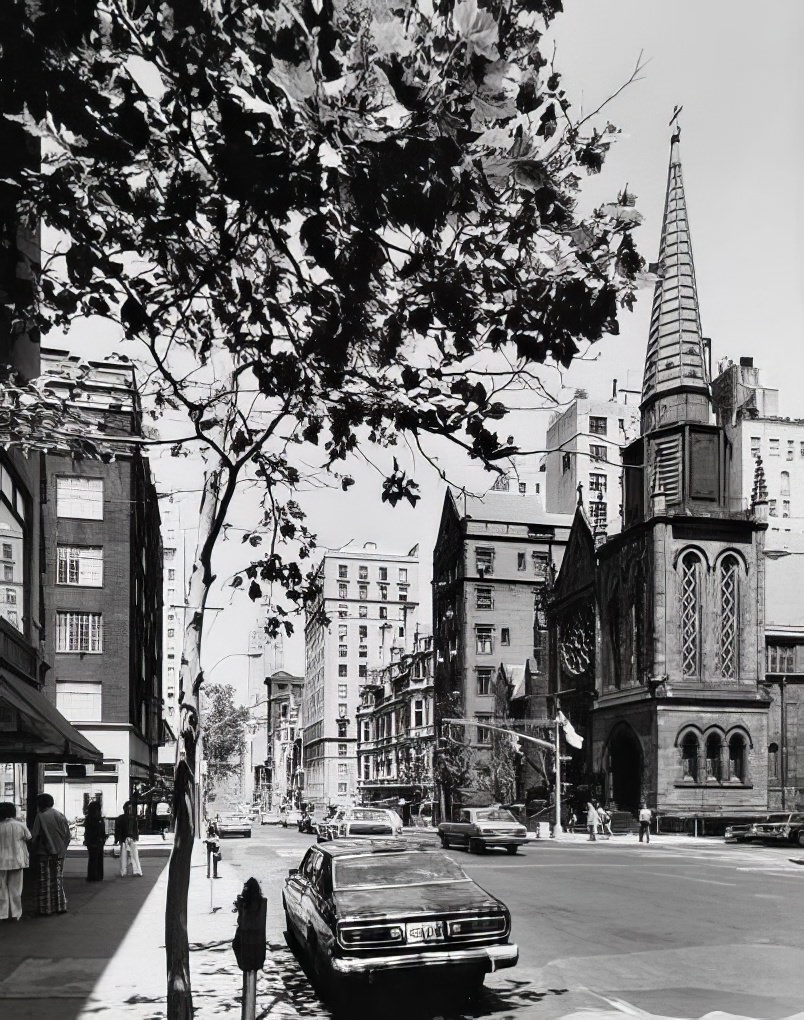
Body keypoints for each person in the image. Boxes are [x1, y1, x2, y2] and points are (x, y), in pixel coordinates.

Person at [30, 793, 71, 915]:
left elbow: (34, 836)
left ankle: (45, 908)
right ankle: (60, 906)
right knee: (57, 879)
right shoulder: (60, 815)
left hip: (44, 853)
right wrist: (61, 848)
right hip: (60, 853)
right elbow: (67, 835)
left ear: (40, 804)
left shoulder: (41, 817)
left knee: (45, 881)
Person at [0, 802, 31, 921]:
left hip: (1, 860)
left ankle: (2, 914)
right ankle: (16, 913)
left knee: (1, 887)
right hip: (17, 860)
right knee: (16, 888)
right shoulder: (20, 825)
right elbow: (28, 837)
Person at [115, 801, 143, 877]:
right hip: (124, 838)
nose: (129, 809)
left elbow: (135, 829)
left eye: (130, 808)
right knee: (125, 855)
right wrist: (117, 839)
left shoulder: (132, 818)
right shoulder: (124, 818)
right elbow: (118, 829)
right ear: (124, 809)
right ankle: (125, 871)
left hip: (130, 837)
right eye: (128, 808)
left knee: (133, 854)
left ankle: (135, 871)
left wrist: (135, 837)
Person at [83, 799, 107, 882]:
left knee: (94, 859)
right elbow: (95, 831)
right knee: (97, 859)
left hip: (95, 841)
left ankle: (94, 875)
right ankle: (97, 875)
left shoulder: (90, 819)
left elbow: (88, 832)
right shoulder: (97, 819)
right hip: (96, 841)